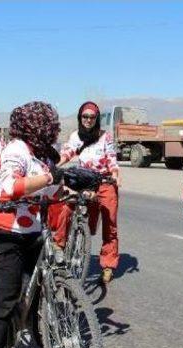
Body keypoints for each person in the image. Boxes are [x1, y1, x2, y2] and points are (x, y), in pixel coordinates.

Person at [0, 101, 64, 348]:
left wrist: (75, 186)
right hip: (8, 234)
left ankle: (39, 339)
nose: (53, 129)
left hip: (33, 231)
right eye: (49, 124)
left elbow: (50, 188)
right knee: (5, 299)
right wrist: (50, 177)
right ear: (35, 126)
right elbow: (7, 188)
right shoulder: (15, 150)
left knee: (37, 291)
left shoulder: (37, 153)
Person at [54, 101, 121, 285]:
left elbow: (112, 160)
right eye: (85, 116)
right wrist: (52, 167)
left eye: (92, 117)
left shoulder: (105, 137)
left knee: (110, 224)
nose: (88, 120)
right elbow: (67, 153)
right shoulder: (76, 136)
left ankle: (107, 265)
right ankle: (58, 246)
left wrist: (115, 175)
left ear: (97, 118)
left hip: (104, 182)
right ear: (80, 118)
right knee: (67, 207)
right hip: (84, 181)